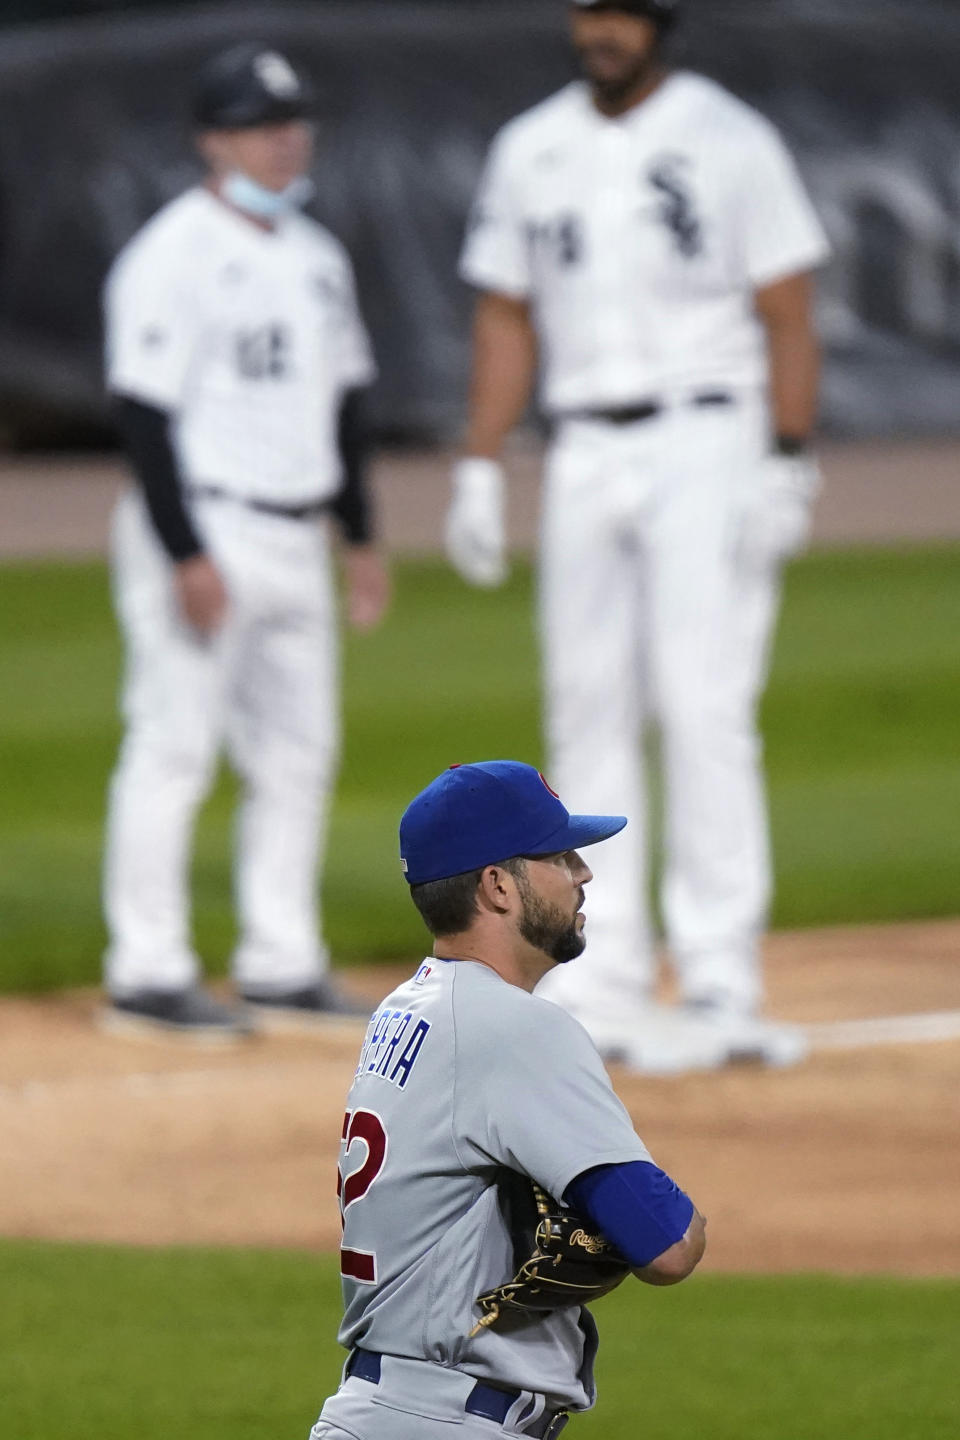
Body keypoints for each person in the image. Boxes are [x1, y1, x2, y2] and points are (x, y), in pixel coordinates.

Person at [446, 0, 829, 1071]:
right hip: (582, 450)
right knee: (585, 704)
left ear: (662, 23)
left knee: (702, 701)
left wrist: (789, 456)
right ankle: (601, 970)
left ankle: (718, 975)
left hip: (707, 434)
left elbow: (789, 307)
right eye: (588, 11)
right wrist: (481, 460)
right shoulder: (532, 146)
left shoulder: (731, 135)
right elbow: (504, 313)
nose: (600, 30)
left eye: (620, 13)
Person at [101, 44, 390, 1038]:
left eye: (294, 119)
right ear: (212, 141)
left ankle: (279, 960)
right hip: (206, 519)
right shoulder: (170, 255)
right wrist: (186, 552)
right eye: (264, 123)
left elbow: (347, 403)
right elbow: (142, 416)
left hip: (294, 531)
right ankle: (145, 971)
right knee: (175, 745)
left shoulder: (316, 257)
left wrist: (360, 532)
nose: (285, 138)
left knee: (299, 753)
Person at [311, 759, 706, 1439]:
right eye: (559, 855)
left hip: (383, 1409)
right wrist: (620, 1225)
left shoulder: (403, 1011)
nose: (583, 873)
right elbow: (669, 1245)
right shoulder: (516, 1028)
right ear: (498, 885)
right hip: (446, 1420)